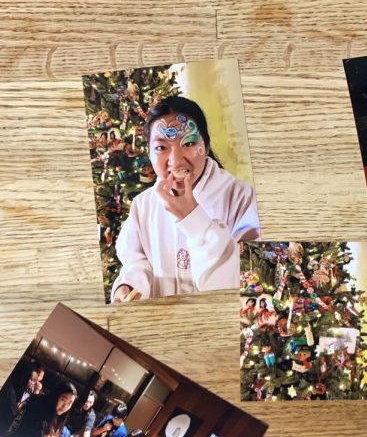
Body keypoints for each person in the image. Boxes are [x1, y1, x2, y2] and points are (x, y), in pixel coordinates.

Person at [110, 96, 260, 302]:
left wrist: (192, 217)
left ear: (206, 146)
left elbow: (244, 281)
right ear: (149, 153)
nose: (176, 160)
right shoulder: (143, 205)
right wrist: (128, 287)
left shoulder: (242, 198)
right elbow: (136, 262)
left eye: (188, 143)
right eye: (161, 148)